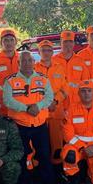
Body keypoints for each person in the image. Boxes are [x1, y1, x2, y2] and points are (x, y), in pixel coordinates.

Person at [3, 51, 56, 184]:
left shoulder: (43, 79)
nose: (27, 63)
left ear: (34, 62)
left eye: (29, 60)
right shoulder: (10, 81)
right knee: (21, 159)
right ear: (18, 64)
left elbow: (49, 97)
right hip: (20, 127)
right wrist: (27, 108)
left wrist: (37, 106)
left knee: (45, 158)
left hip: (40, 126)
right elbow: (8, 100)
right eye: (23, 61)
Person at [61, 81, 93, 184]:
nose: (86, 94)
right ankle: (73, 178)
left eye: (89, 91)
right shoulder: (71, 109)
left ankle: (89, 171)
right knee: (69, 153)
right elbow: (67, 134)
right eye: (83, 91)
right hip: (78, 147)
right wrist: (83, 147)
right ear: (78, 93)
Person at [35, 40, 68, 171]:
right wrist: (46, 103)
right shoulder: (34, 68)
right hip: (40, 114)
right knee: (41, 146)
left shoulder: (60, 68)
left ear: (52, 52)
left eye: (49, 50)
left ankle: (58, 173)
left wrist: (55, 101)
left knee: (57, 145)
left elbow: (65, 89)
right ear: (39, 52)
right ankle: (43, 173)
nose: (46, 53)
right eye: (43, 50)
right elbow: (32, 90)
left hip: (56, 111)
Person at [52, 30, 90, 99]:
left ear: (73, 43)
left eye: (70, 41)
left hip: (75, 101)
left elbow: (85, 82)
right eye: (65, 41)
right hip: (58, 102)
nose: (68, 44)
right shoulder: (53, 60)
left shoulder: (80, 61)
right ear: (61, 42)